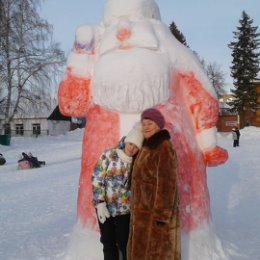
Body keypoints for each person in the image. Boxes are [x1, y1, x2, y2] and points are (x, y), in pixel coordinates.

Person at [127, 108, 180, 260]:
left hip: (155, 218)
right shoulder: (146, 146)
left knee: (156, 253)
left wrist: (161, 217)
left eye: (150, 123)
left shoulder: (163, 146)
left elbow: (167, 184)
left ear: (158, 125)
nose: (146, 127)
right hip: (143, 215)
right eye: (143, 124)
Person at [92, 123, 144, 260]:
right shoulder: (109, 155)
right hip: (105, 209)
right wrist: (100, 203)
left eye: (136, 146)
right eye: (131, 144)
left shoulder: (137, 163)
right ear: (126, 141)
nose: (132, 149)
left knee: (124, 243)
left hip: (125, 211)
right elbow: (97, 178)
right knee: (108, 242)